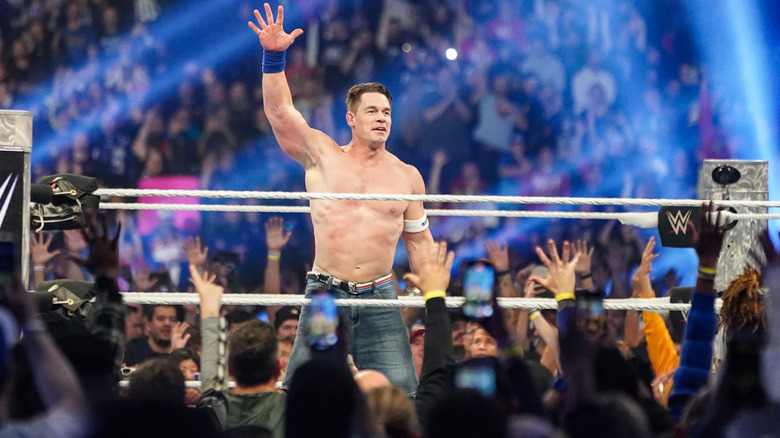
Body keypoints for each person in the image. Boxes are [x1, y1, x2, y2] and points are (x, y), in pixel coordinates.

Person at [249, 3, 434, 395]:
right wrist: (274, 55)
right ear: (351, 118)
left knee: (401, 393)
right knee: (303, 390)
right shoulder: (322, 154)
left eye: (386, 111)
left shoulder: (407, 176)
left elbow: (419, 244)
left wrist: (432, 298)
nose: (382, 117)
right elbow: (280, 111)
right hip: (326, 292)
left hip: (381, 293)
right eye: (372, 110)